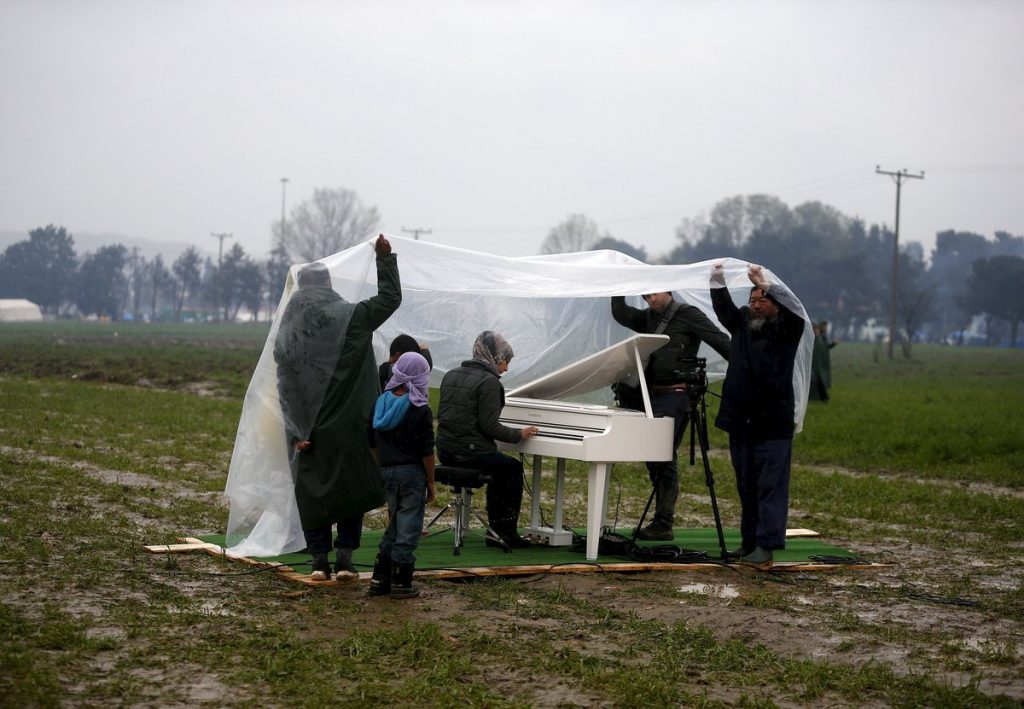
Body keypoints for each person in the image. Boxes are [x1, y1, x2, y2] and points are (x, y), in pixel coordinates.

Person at [273, 235, 401, 581]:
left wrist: (297, 430)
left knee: (313, 491)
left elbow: (285, 385)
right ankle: (345, 560)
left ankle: (318, 561)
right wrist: (385, 260)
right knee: (351, 488)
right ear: (330, 284)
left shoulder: (289, 329)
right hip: (354, 425)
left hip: (309, 428)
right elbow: (390, 298)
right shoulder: (354, 317)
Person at [611, 291, 730, 540]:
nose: (650, 301)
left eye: (653, 295)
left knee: (663, 454)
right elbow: (622, 314)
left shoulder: (688, 314)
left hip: (676, 395)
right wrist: (618, 289)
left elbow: (722, 342)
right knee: (653, 455)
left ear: (667, 290)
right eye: (645, 298)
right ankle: (661, 519)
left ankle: (664, 522)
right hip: (650, 397)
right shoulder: (649, 317)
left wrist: (745, 367)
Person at [710, 263, 805, 569]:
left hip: (773, 425)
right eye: (752, 300)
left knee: (770, 486)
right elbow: (724, 309)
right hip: (741, 421)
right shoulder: (741, 324)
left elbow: (794, 311)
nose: (755, 305)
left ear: (776, 306)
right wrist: (716, 280)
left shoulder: (787, 330)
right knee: (747, 485)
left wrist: (765, 282)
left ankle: (766, 545)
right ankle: (749, 542)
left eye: (762, 300)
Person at [435, 331, 539, 548]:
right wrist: (519, 434)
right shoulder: (489, 382)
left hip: (444, 450)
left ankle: (496, 530)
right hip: (469, 454)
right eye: (505, 362)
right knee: (510, 468)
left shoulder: (451, 374)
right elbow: (489, 426)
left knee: (499, 464)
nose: (506, 368)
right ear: (495, 358)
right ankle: (504, 532)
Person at [367, 351, 435, 599]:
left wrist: (383, 466)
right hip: (412, 474)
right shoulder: (419, 409)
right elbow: (427, 451)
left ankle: (379, 579)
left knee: (395, 523)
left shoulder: (380, 403)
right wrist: (431, 481)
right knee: (408, 527)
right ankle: (401, 582)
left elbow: (371, 441)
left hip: (387, 471)